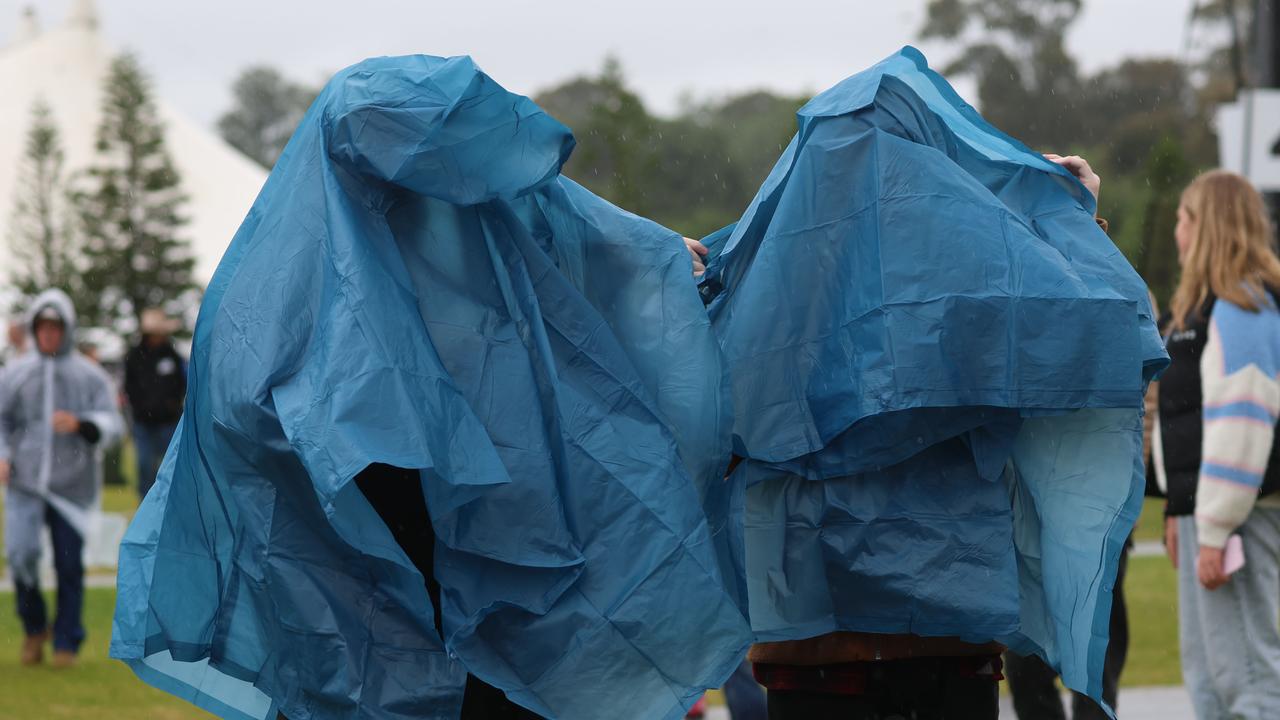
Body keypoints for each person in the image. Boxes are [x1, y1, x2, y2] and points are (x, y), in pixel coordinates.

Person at [1002, 156, 1142, 720]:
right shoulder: (1010, 277)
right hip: (1045, 490)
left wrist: (1085, 214)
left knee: (1089, 642)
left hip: (1086, 489)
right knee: (1039, 649)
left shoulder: (1101, 280)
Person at [1153, 170, 1280, 718]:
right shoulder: (1204, 308)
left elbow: (1242, 422)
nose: (1177, 231)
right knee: (1210, 683)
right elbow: (1189, 421)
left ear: (1210, 227)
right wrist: (1180, 512)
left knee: (1249, 681)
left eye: (1184, 218)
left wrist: (1214, 526)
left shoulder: (1244, 306)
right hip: (1209, 516)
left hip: (1238, 521)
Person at [0, 289, 122, 668]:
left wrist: (84, 424)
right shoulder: (16, 372)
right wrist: (3, 455)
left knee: (70, 564)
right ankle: (34, 626)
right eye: (43, 327)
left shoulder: (90, 375)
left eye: (56, 327)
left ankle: (67, 640)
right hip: (25, 483)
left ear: (66, 329)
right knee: (21, 555)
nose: (49, 334)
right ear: (35, 330)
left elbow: (113, 422)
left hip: (73, 485)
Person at [123, 308, 185, 499]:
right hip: (144, 423)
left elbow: (181, 384)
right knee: (144, 466)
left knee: (172, 468)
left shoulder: (172, 355)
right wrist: (141, 407)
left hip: (168, 422)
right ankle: (145, 505)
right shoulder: (134, 357)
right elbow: (129, 386)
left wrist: (171, 404)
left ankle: (169, 504)